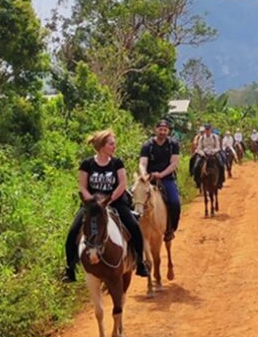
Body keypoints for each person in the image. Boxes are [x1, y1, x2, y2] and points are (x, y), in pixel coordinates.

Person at [63, 129, 149, 283]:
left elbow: (122, 184)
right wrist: (92, 202)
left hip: (115, 202)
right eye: (111, 144)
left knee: (134, 227)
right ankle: (70, 269)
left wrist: (108, 201)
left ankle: (140, 263)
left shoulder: (117, 163)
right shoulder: (87, 164)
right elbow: (82, 186)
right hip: (92, 206)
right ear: (102, 146)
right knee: (73, 232)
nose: (114, 147)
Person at [139, 118, 182, 240]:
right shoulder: (147, 145)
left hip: (167, 179)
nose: (162, 132)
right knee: (133, 198)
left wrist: (162, 175)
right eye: (160, 129)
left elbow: (174, 163)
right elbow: (142, 163)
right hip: (149, 179)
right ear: (155, 130)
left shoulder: (173, 144)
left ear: (168, 131)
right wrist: (144, 175)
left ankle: (170, 229)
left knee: (175, 203)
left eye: (165, 130)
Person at [192, 122, 225, 189]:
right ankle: (198, 182)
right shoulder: (201, 138)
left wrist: (213, 152)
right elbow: (199, 148)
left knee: (221, 165)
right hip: (204, 154)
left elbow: (218, 147)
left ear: (210, 130)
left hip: (213, 154)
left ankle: (220, 181)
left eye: (208, 129)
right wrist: (202, 153)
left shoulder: (215, 137)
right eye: (206, 129)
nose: (207, 131)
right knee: (196, 165)